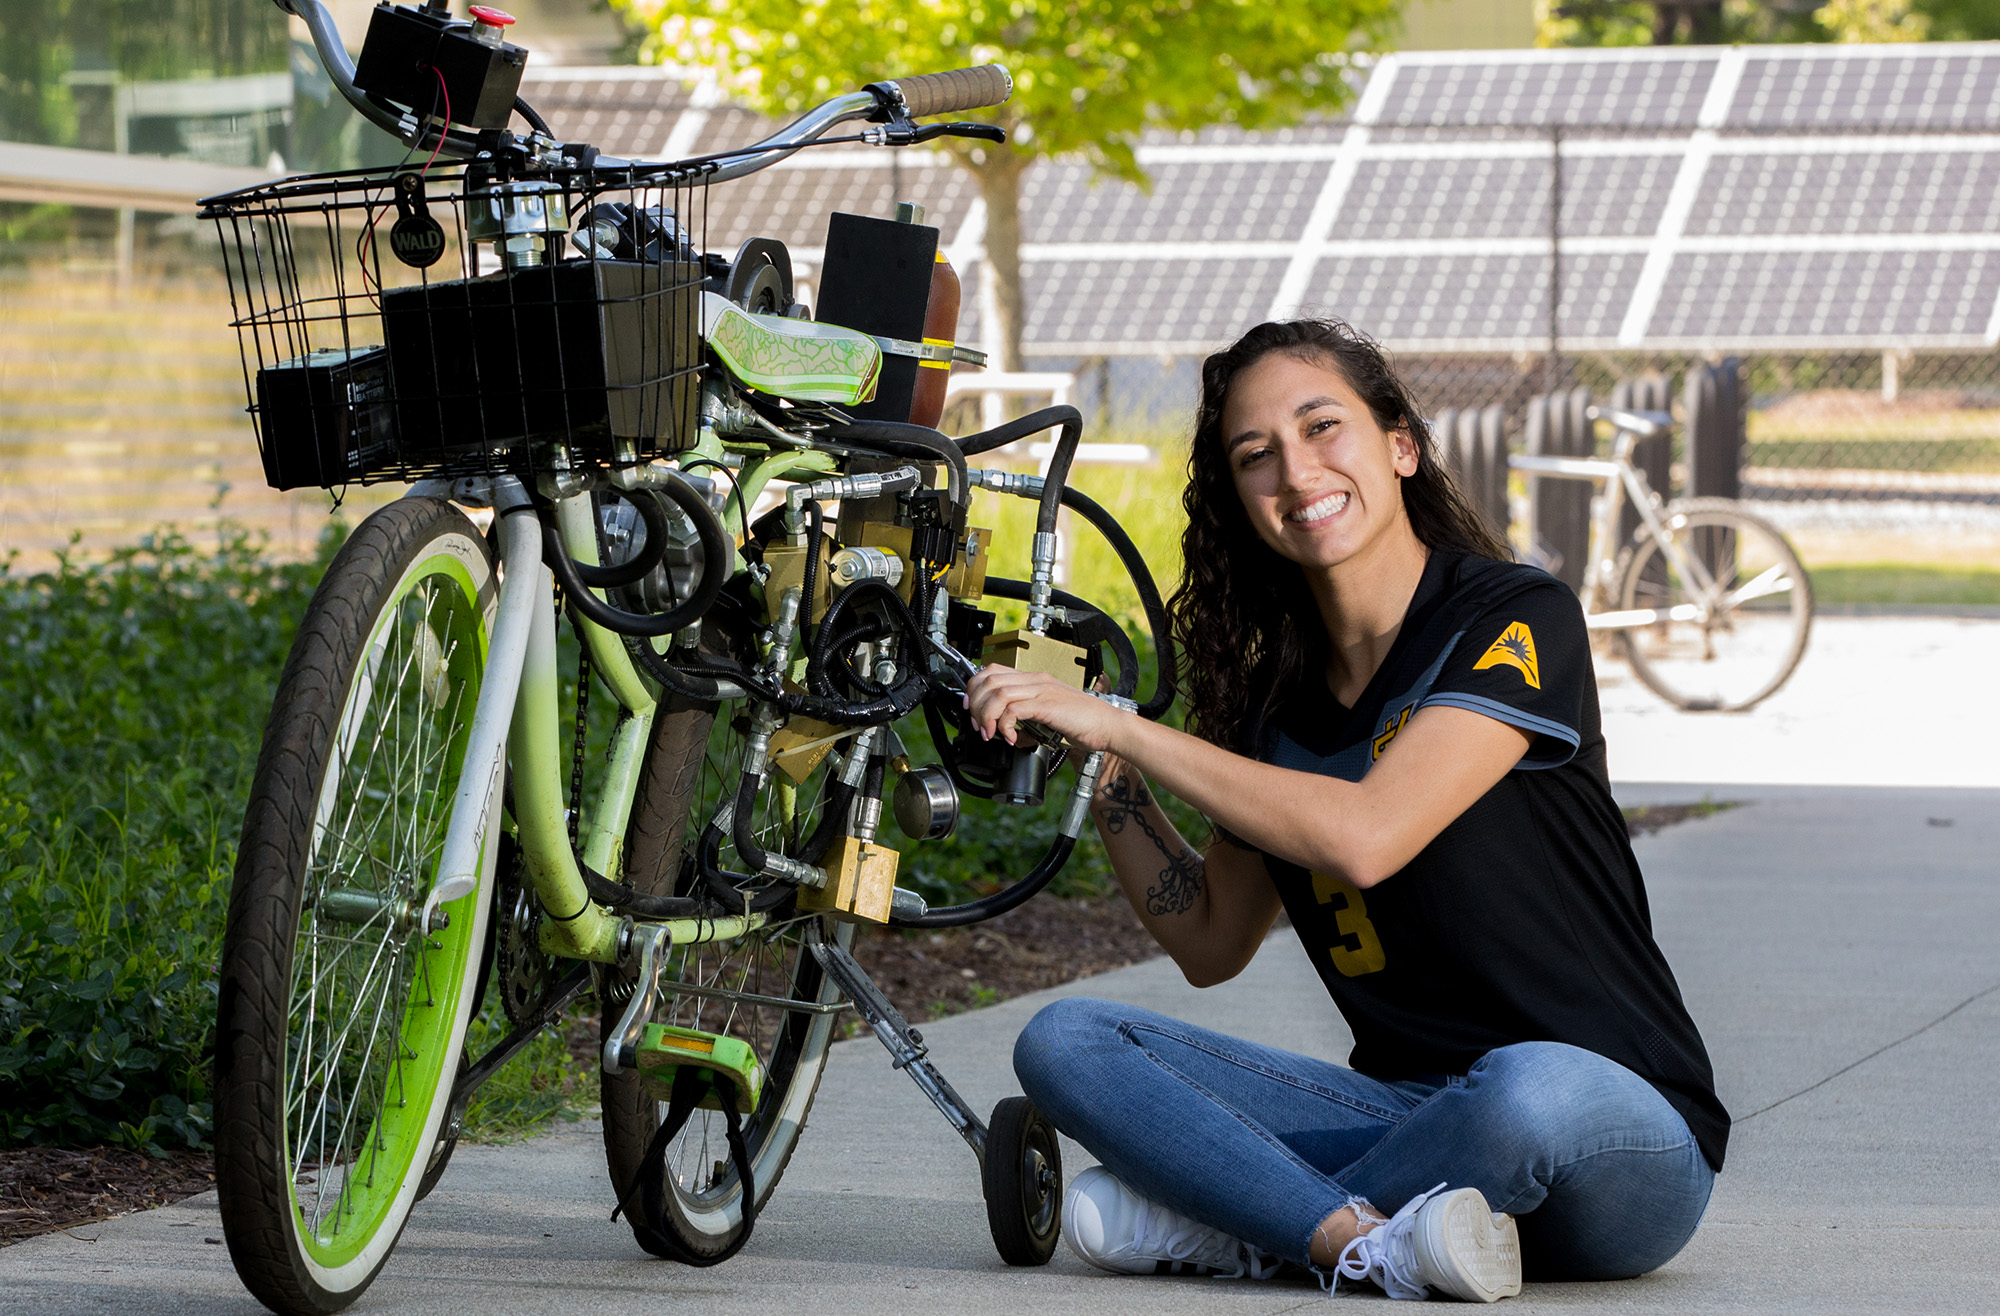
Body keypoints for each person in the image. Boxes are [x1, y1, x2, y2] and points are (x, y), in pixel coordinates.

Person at [963, 319, 1727, 1301]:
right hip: (1404, 1115)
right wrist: (1103, 761)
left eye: (1322, 426)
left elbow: (1365, 836)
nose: (1295, 468)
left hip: (1610, 1126)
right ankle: (1351, 1235)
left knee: (1525, 1086)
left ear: (1399, 444)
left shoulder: (1512, 616)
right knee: (1063, 1039)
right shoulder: (1272, 706)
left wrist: (1135, 731)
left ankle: (1239, 1220)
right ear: (1239, 499)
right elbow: (1208, 938)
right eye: (1255, 455)